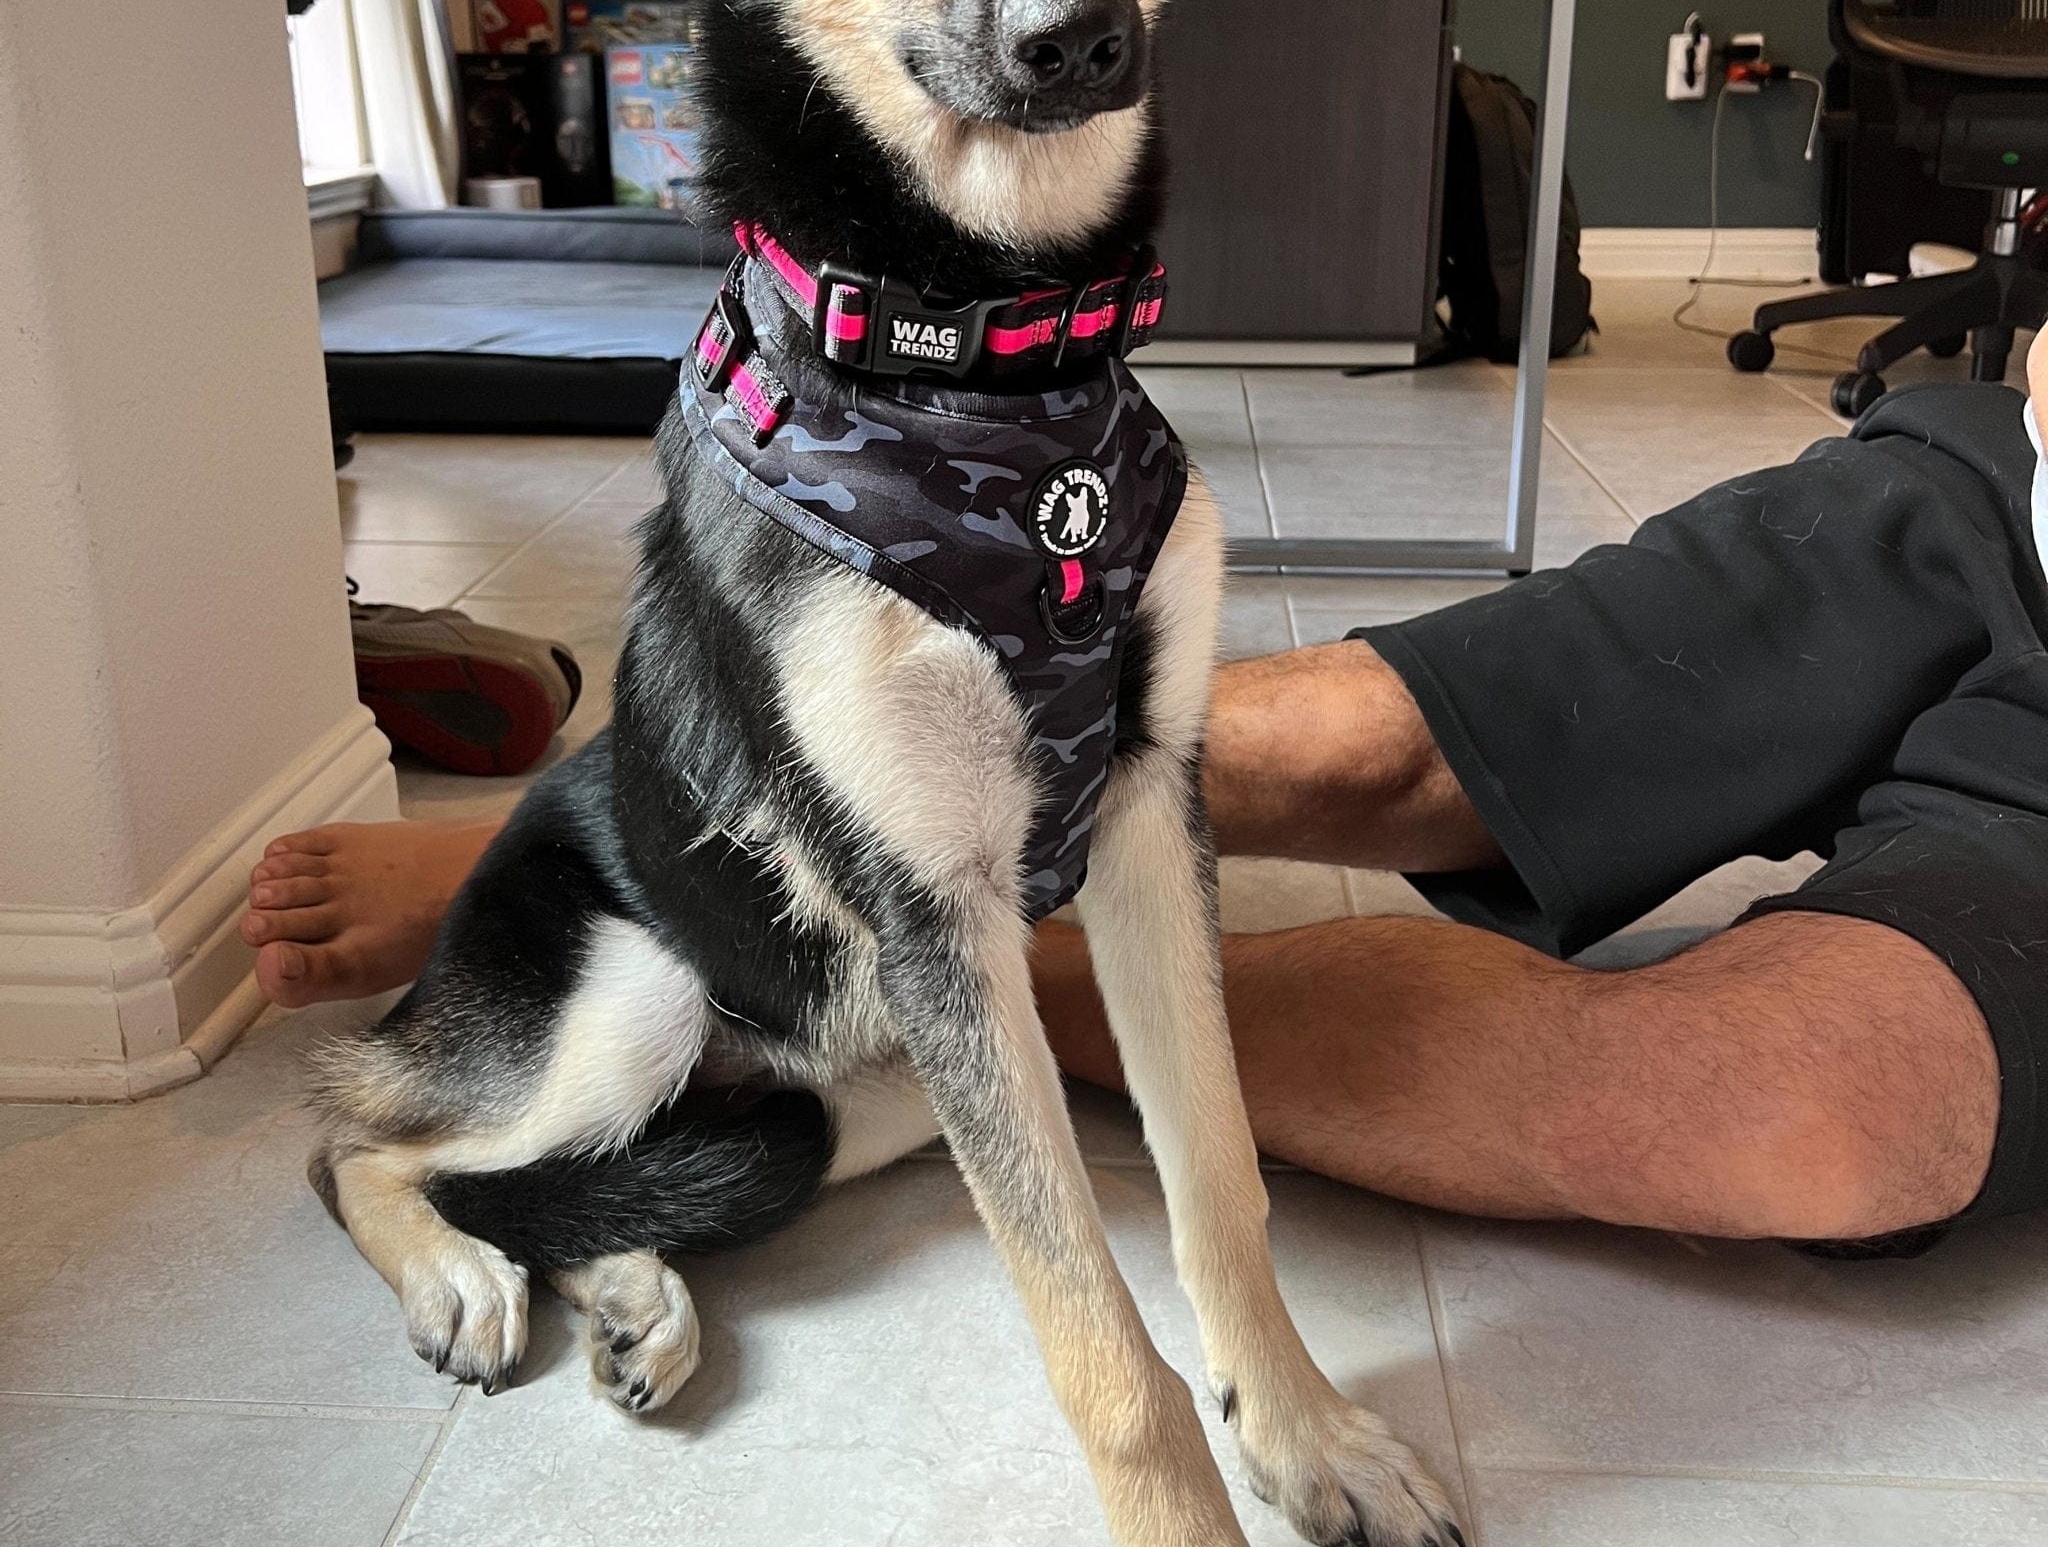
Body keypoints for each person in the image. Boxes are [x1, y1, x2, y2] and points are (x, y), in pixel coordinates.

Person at [244, 348, 2048, 1249]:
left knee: (1811, 1117)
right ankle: (637, 835)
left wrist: (965, 962)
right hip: (2003, 493)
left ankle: (925, 969)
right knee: (1358, 738)